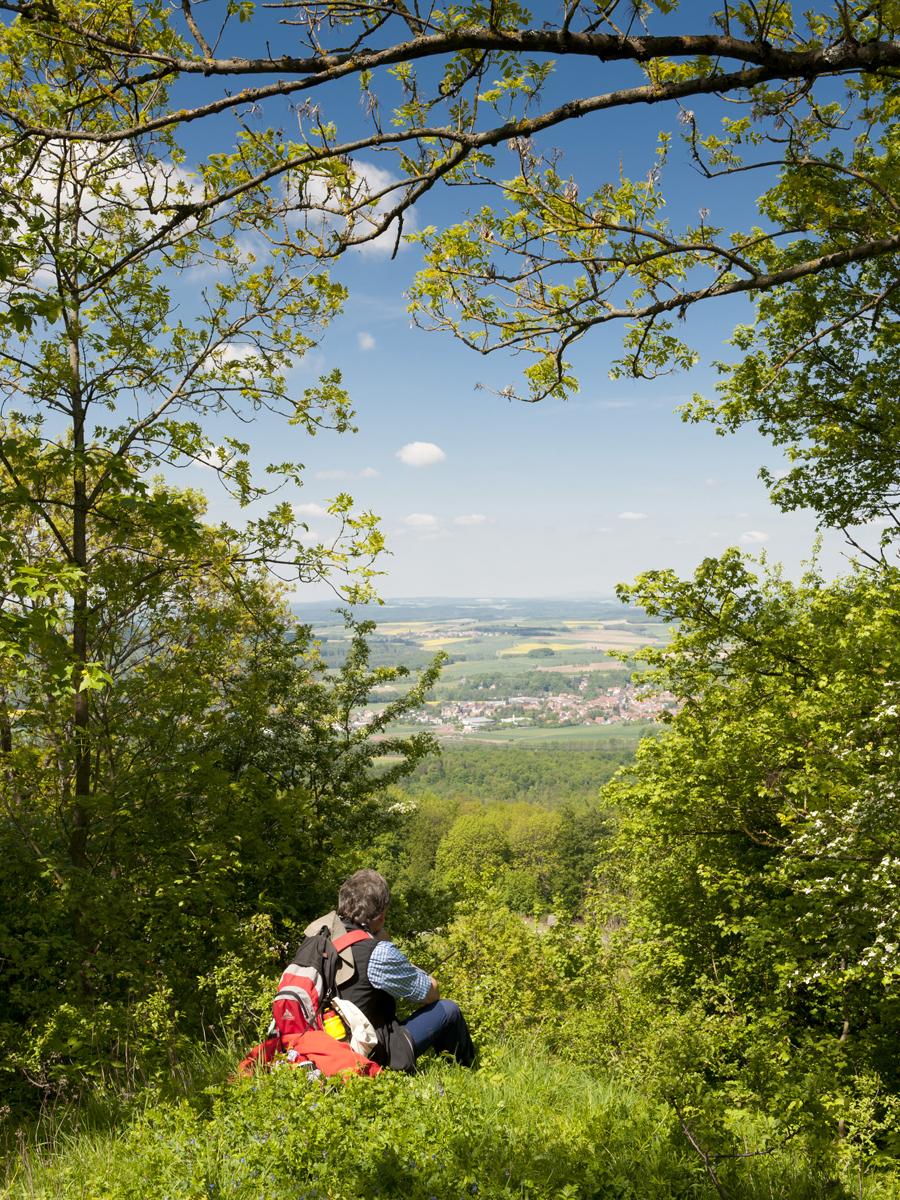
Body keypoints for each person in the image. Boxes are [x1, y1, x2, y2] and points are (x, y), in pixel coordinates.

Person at [304, 868, 475, 1072]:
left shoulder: (317, 937)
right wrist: (391, 950)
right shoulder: (377, 952)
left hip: (317, 1044)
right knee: (449, 1010)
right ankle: (465, 1073)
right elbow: (431, 992)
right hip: (367, 1051)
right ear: (382, 913)